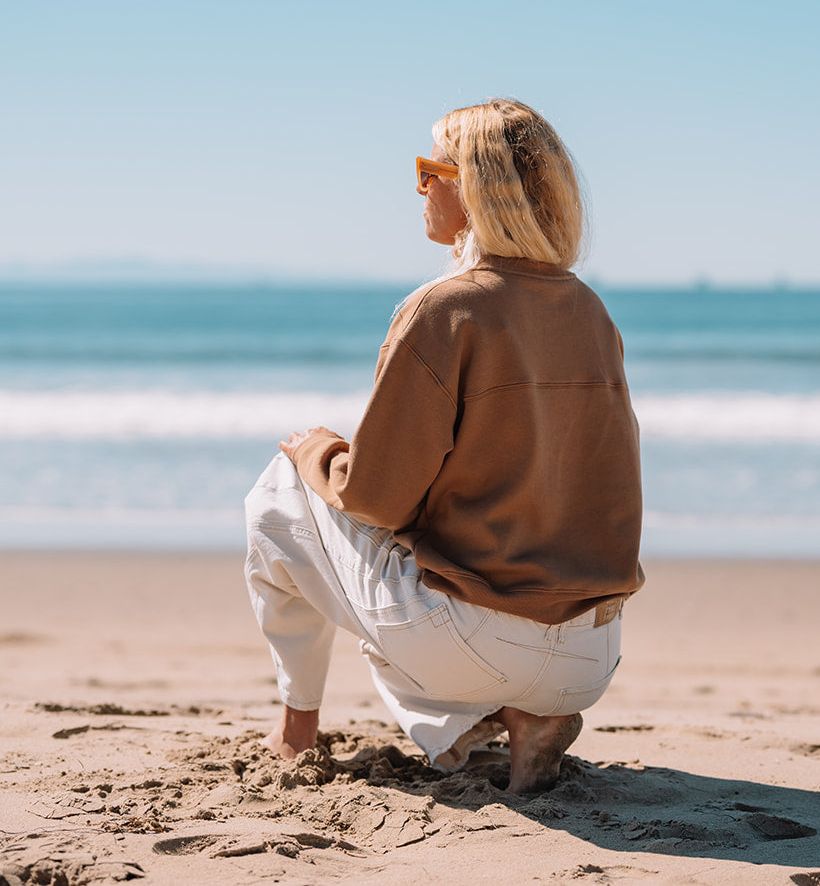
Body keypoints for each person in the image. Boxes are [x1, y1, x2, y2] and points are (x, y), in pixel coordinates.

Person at [243, 98, 643, 793]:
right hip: (591, 650)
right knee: (439, 559)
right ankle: (530, 716)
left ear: (476, 187)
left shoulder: (444, 307)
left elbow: (375, 497)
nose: (421, 187)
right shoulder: (590, 310)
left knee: (281, 488)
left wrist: (319, 449)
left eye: (433, 170)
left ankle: (296, 731)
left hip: (476, 644)